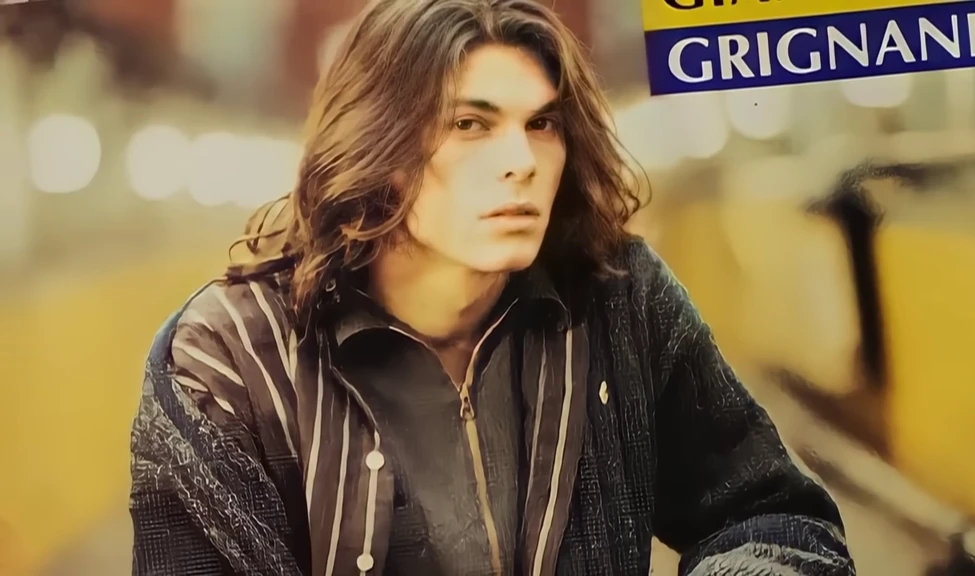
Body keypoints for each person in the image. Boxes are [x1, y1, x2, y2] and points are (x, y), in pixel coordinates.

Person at [129, 0, 854, 574]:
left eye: (542, 123)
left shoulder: (616, 300)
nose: (521, 160)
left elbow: (773, 518)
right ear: (378, 144)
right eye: (471, 123)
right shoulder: (233, 361)